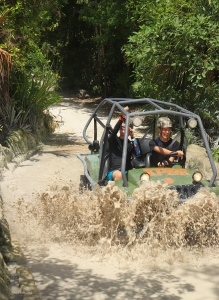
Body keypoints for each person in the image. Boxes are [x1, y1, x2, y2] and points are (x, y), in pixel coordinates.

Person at [107, 106, 135, 180]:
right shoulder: (113, 140)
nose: (123, 132)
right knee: (120, 175)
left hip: (127, 171)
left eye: (126, 130)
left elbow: (138, 152)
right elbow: (113, 132)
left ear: (130, 131)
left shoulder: (130, 143)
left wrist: (133, 137)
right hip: (113, 172)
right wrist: (121, 119)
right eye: (122, 129)